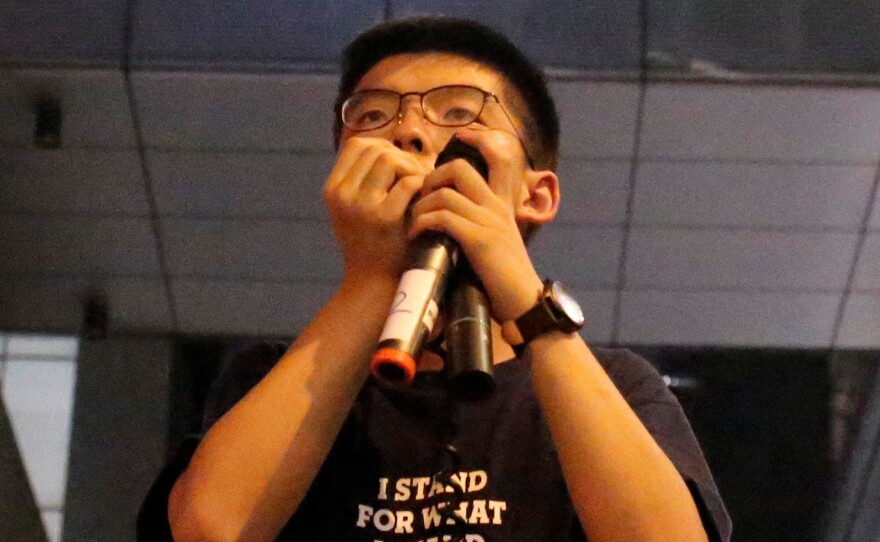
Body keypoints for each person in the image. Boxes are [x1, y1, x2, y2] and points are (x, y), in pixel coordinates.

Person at [138, 16, 731, 542]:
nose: (408, 132)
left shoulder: (616, 386)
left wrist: (522, 293)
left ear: (536, 195)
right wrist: (371, 279)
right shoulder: (271, 376)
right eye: (372, 116)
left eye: (458, 112)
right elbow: (206, 530)